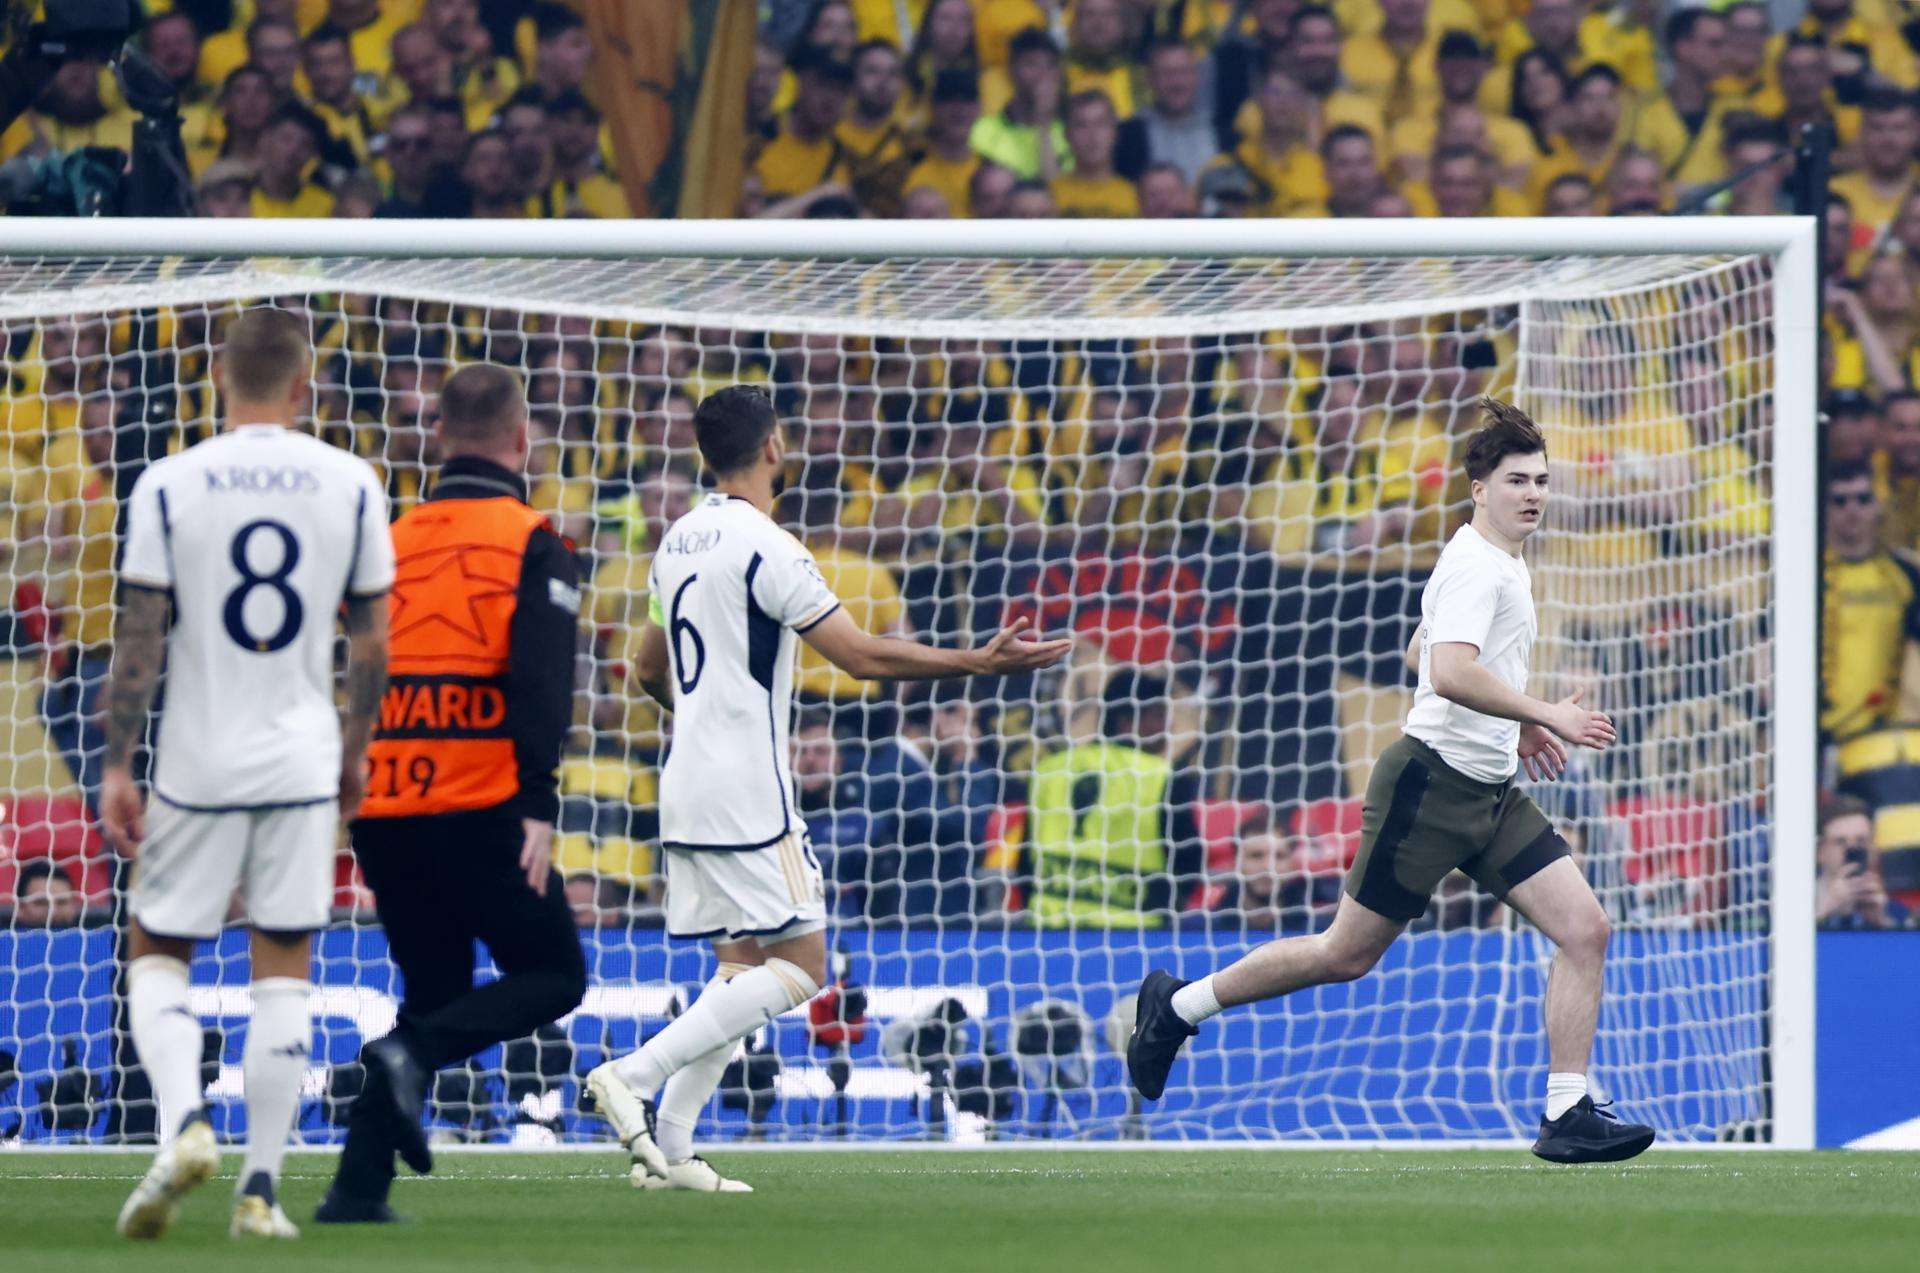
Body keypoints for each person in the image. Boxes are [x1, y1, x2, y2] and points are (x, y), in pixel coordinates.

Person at [1126, 398, 1657, 1165]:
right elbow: (1445, 670)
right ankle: (1178, 1005)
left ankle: (1567, 1107)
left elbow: (1422, 648)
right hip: (1430, 787)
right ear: (1479, 486)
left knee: (1586, 929)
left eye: (1542, 479)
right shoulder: (1479, 563)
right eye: (1516, 480)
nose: (1534, 493)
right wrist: (1545, 710)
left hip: (1489, 787)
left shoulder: (1492, 558)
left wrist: (1519, 724)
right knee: (1344, 953)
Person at [584, 385, 1069, 1192]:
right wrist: (979, 663)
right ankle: (633, 1074)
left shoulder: (675, 541)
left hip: (684, 779)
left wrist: (704, 719)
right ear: (774, 446)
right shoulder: (767, 546)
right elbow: (861, 657)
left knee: (740, 967)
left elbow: (643, 668)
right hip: (746, 787)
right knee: (806, 964)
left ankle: (670, 1146)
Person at [99, 308, 395, 1240]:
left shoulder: (167, 483)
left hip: (196, 759)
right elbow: (374, 639)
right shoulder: (351, 482)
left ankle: (185, 1120)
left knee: (156, 949)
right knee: (284, 970)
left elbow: (139, 636)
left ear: (219, 382)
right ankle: (260, 1191)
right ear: (304, 387)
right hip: (304, 757)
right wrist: (355, 750)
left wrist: (115, 761)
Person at [315, 363, 588, 1224]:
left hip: (385, 803)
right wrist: (538, 804)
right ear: (522, 439)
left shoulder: (388, 537)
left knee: (433, 983)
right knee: (553, 972)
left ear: (438, 437)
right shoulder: (533, 537)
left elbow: (355, 665)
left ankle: (357, 1189)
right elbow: (543, 683)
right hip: (479, 801)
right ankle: (409, 1052)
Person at [1815, 795, 1912, 930]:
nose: (1852, 849)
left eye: (1861, 841)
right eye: (1840, 842)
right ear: (1820, 852)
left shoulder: (1897, 914)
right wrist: (1823, 910)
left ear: (1874, 849)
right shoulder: (1794, 908)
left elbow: (1908, 949)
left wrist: (1882, 922)